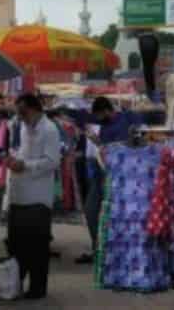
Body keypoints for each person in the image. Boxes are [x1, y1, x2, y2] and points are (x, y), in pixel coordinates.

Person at [5, 92, 59, 300]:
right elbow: (24, 153)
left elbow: (52, 161)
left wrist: (25, 165)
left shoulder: (49, 129)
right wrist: (14, 159)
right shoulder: (25, 128)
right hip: (20, 195)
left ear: (34, 109)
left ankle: (37, 288)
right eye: (19, 113)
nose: (21, 117)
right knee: (17, 244)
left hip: (38, 198)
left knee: (37, 246)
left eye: (23, 112)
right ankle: (15, 283)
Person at [76, 96, 137, 264]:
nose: (98, 120)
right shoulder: (105, 125)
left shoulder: (123, 122)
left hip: (117, 176)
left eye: (99, 115)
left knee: (112, 215)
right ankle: (98, 248)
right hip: (100, 174)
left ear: (106, 111)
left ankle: (111, 251)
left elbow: (120, 150)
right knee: (90, 211)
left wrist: (99, 143)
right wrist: (98, 143)